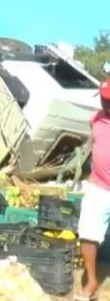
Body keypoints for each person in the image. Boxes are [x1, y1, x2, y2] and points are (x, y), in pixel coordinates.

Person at [75, 78, 110, 301]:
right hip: (98, 187)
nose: (106, 105)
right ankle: (92, 279)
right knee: (87, 233)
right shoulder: (95, 119)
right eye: (104, 100)